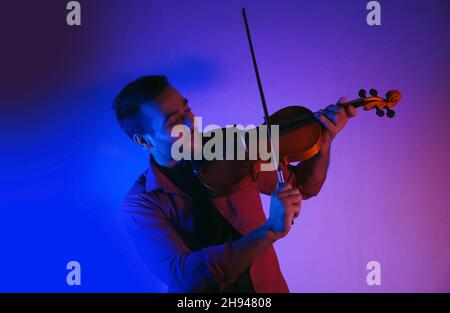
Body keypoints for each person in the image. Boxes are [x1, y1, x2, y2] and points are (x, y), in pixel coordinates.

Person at [113, 75, 356, 292]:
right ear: (144, 141)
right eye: (173, 122)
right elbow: (186, 276)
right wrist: (269, 231)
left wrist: (323, 143)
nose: (191, 122)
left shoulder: (232, 147)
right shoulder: (141, 203)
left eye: (186, 108)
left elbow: (303, 186)